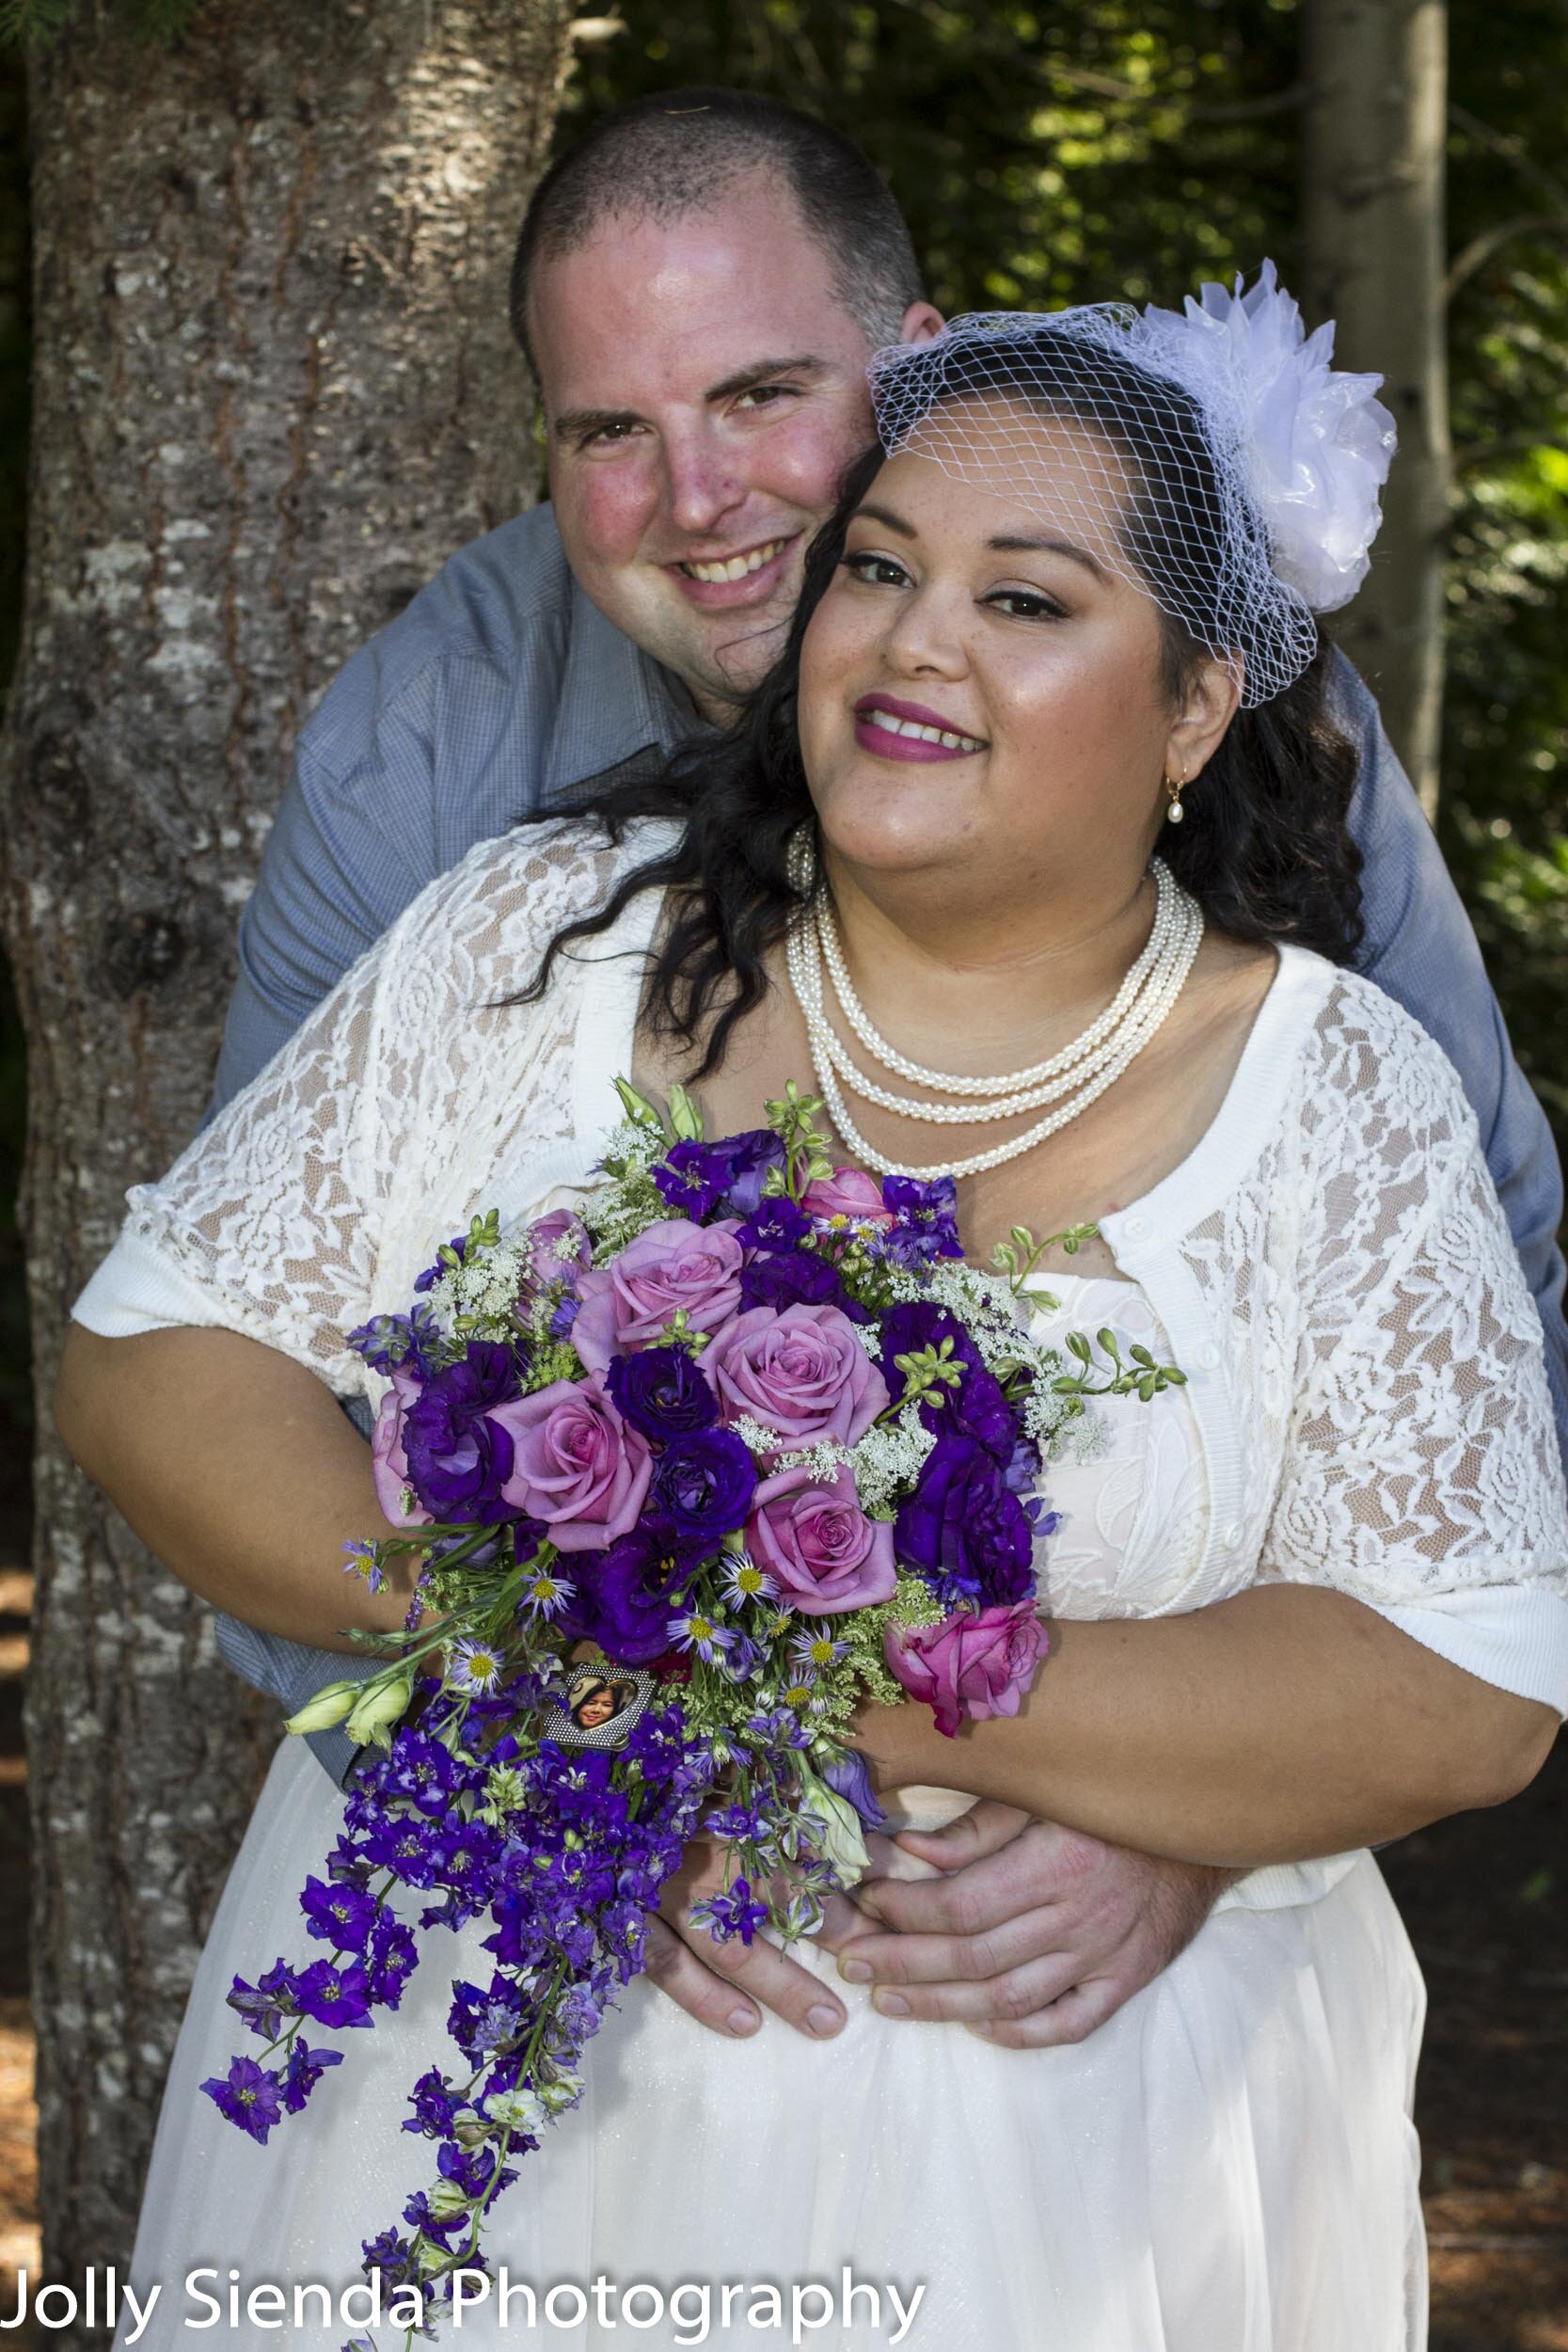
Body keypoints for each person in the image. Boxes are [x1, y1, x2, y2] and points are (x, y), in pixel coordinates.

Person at [60, 273, 1565, 2349]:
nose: (915, 636)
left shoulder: (1336, 1096)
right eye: (877, 567)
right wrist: (527, 1664)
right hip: (472, 2101)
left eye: (1027, 600)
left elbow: (1462, 1677)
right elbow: (163, 1354)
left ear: (1199, 708)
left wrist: (774, 1674)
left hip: (1079, 2190)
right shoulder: (552, 943)